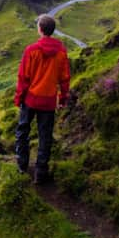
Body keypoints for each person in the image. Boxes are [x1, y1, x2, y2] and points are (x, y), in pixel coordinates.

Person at [14, 14, 71, 184]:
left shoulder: (32, 50)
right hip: (48, 101)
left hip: (30, 99)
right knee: (45, 135)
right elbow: (65, 78)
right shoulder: (61, 52)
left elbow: (23, 77)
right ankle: (41, 172)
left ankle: (22, 166)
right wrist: (62, 99)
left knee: (22, 131)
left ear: (40, 29)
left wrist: (19, 98)